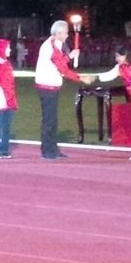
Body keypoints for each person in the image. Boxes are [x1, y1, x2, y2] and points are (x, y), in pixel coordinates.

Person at [34, 20, 92, 159]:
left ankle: (52, 149)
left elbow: (60, 62)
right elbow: (62, 68)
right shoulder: (51, 46)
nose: (67, 35)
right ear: (58, 33)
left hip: (51, 85)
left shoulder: (57, 44)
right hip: (47, 86)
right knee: (49, 119)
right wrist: (80, 78)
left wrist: (69, 56)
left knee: (52, 119)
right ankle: (47, 151)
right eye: (65, 33)